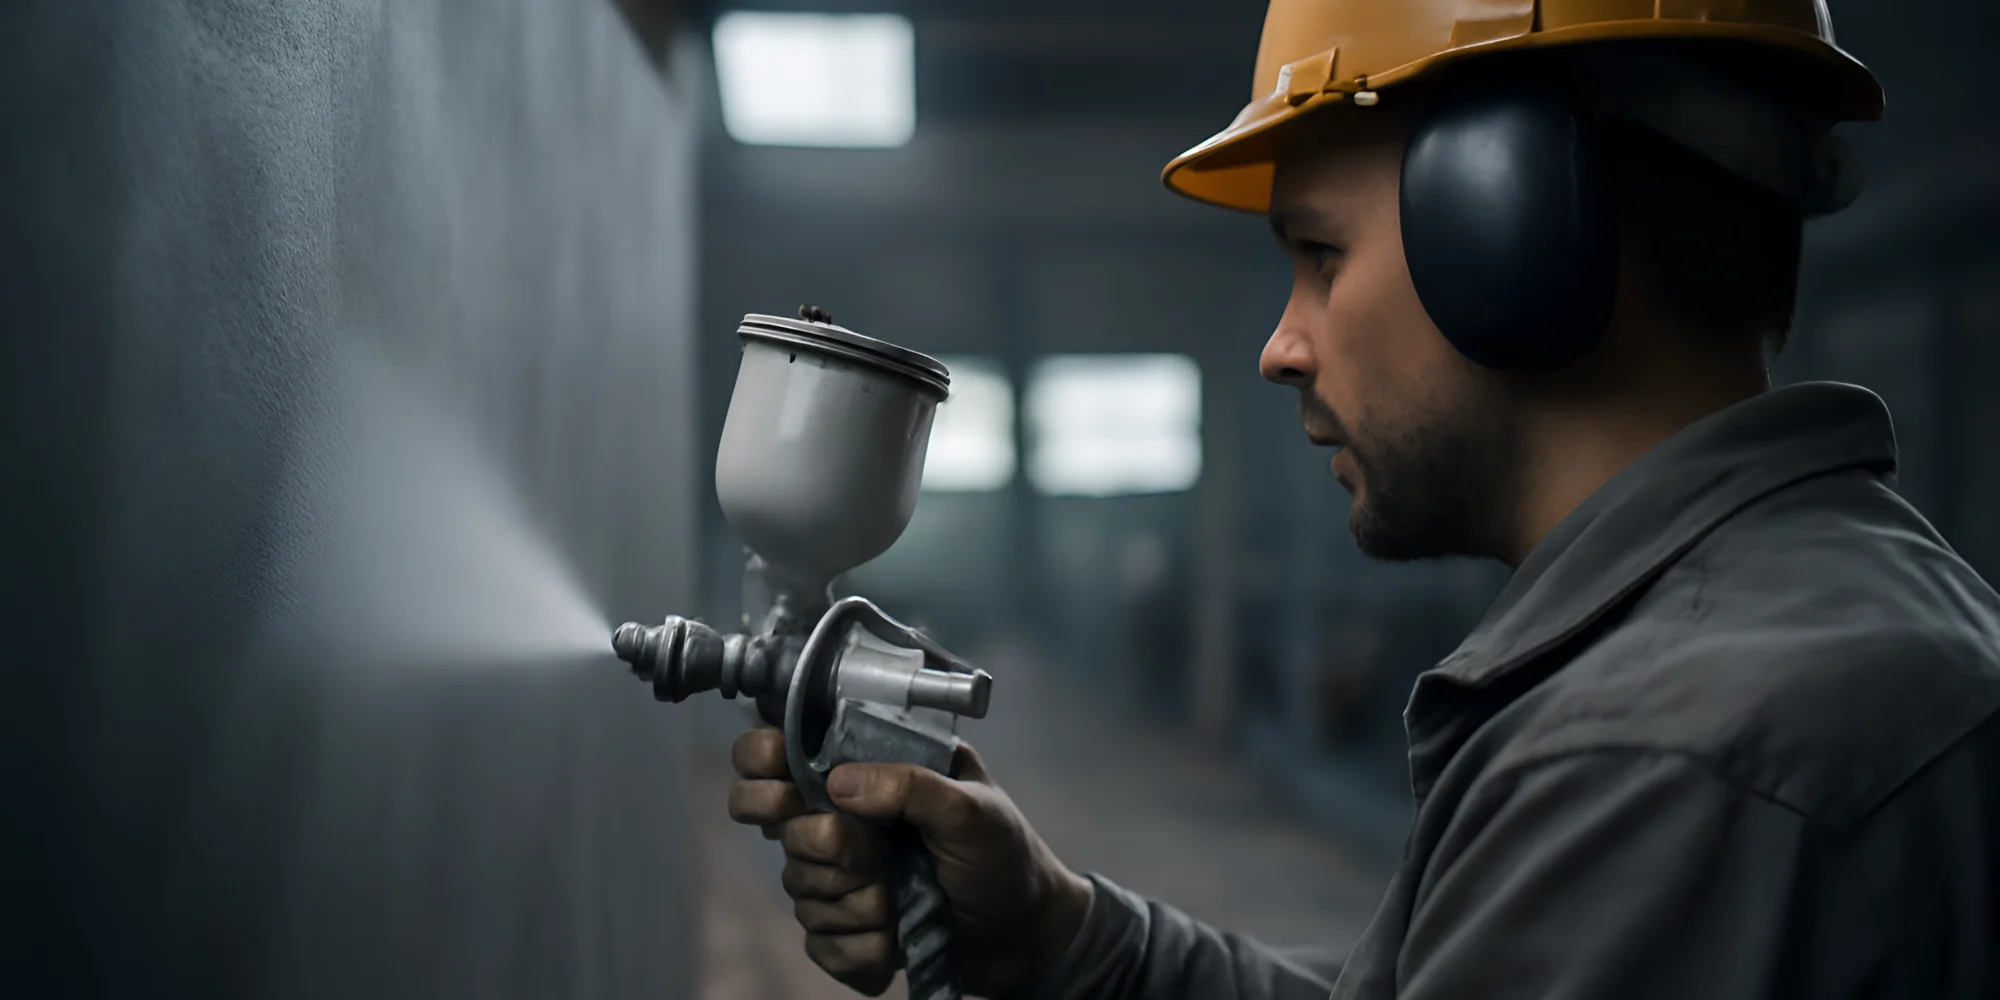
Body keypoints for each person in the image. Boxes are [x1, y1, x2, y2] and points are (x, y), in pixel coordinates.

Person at [727, 1, 2000, 997]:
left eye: (1319, 256)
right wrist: (1065, 933)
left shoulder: (1670, 755)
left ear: (1511, 216)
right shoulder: (1837, 613)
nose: (1281, 344)